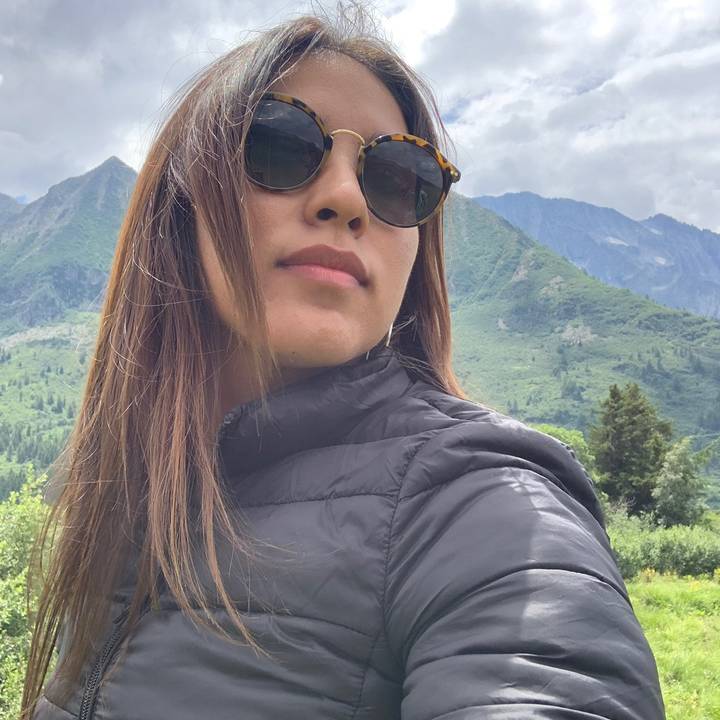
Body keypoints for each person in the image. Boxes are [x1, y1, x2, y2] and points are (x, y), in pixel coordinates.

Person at [22, 4, 665, 719]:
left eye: (397, 177)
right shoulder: (115, 483)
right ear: (181, 203)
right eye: (279, 145)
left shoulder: (481, 503)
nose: (345, 197)